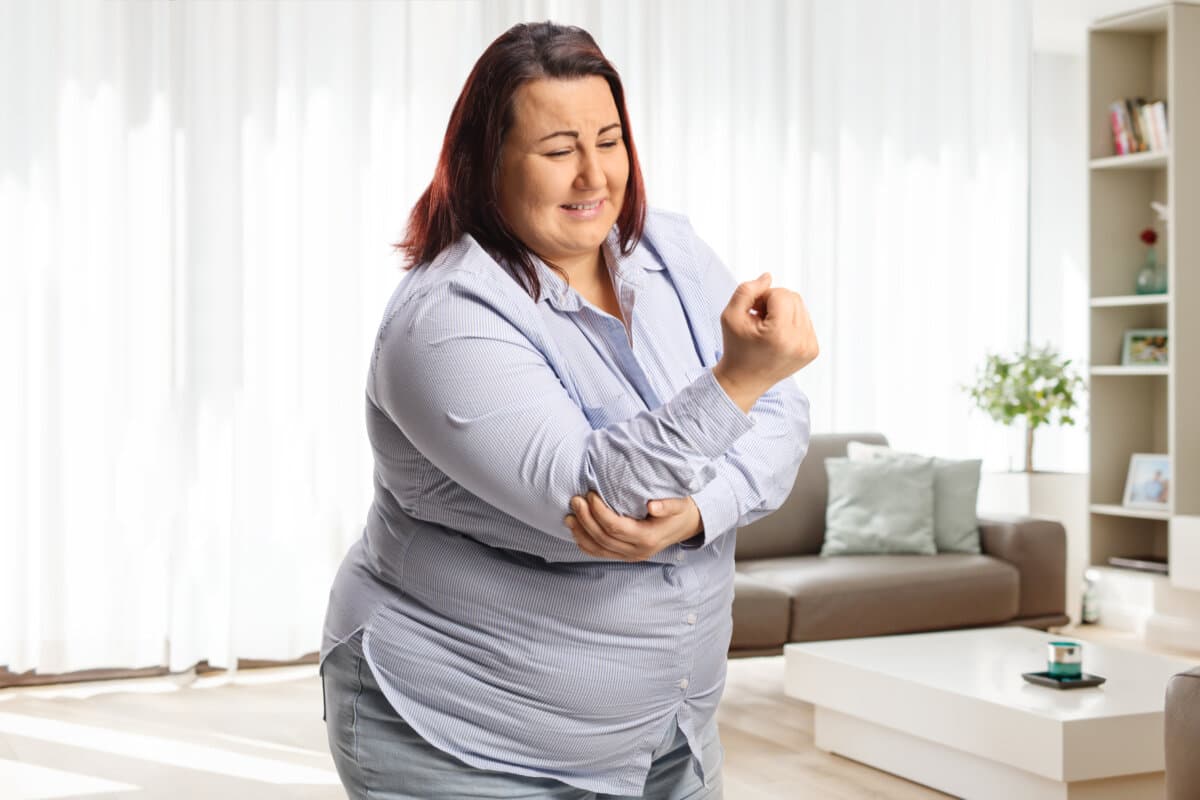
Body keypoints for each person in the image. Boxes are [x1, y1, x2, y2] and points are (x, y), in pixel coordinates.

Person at [320, 20, 817, 800]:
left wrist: (696, 513)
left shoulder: (668, 251)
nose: (594, 176)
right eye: (558, 151)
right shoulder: (443, 320)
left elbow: (782, 415)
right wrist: (736, 383)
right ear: (485, 163)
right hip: (470, 739)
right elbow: (598, 497)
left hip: (669, 730)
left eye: (609, 141)